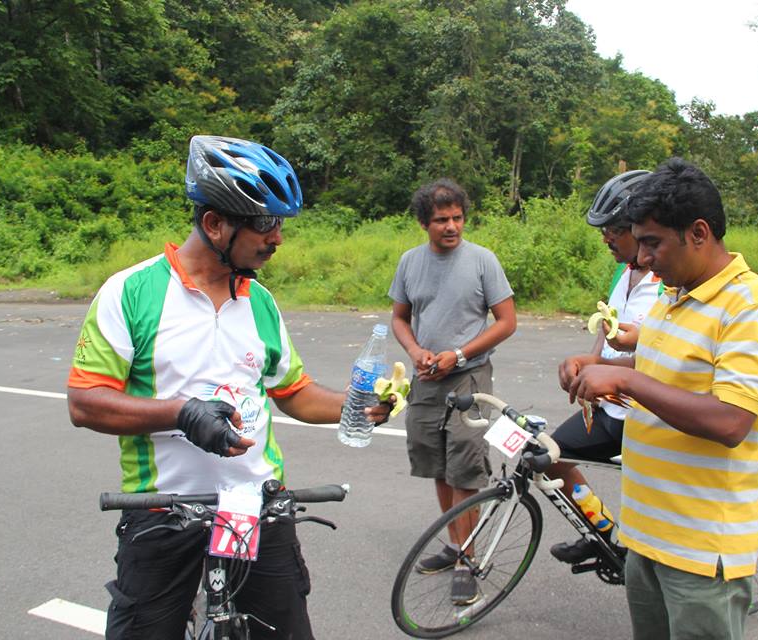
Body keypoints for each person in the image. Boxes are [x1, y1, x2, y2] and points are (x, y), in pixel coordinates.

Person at [66, 135, 393, 640]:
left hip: (254, 506)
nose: (277, 238)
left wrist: (357, 405)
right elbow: (85, 403)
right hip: (163, 509)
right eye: (264, 223)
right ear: (215, 223)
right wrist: (182, 413)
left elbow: (294, 392)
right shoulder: (131, 292)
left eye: (280, 224)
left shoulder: (259, 301)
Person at [569, 158, 758, 640]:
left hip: (700, 549)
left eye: (652, 243)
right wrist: (599, 367)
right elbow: (658, 370)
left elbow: (730, 421)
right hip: (646, 534)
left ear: (698, 233)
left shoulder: (751, 308)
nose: (642, 258)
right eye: (639, 242)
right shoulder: (673, 295)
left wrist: (625, 383)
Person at [388, 178, 517, 605]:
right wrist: (416, 351)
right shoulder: (410, 262)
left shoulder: (482, 261)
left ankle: (467, 560)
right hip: (427, 380)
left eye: (458, 218)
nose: (451, 226)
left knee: (464, 466)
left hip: (469, 378)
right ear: (424, 223)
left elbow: (506, 322)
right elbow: (400, 318)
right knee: (439, 465)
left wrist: (459, 354)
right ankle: (455, 543)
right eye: (442, 219)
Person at [546, 170, 662, 565]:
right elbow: (605, 341)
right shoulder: (622, 272)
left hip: (648, 415)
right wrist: (584, 362)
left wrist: (612, 371)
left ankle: (643, 558)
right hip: (611, 409)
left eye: (613, 229)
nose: (606, 238)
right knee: (549, 456)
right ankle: (601, 530)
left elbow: (669, 357)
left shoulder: (670, 283)